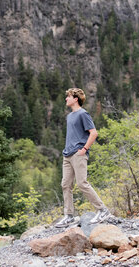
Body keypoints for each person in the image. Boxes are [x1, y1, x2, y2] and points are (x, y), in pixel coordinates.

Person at [55, 88, 111, 228]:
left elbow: (93, 133)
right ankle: (68, 216)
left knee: (82, 183)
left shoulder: (83, 114)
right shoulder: (70, 116)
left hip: (78, 154)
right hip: (67, 155)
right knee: (65, 184)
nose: (66, 99)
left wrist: (84, 149)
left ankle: (102, 210)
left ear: (75, 99)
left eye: (68, 96)